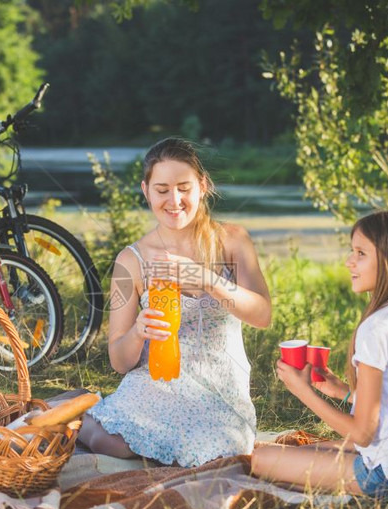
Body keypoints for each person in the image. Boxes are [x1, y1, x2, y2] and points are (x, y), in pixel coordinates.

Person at [79, 137, 272, 467]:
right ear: (146, 190)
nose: (175, 200)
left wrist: (208, 280)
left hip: (220, 387)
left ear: (203, 185)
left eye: (184, 187)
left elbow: (262, 314)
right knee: (115, 444)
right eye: (162, 189)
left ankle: (91, 408)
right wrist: (139, 332)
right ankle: (79, 412)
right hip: (157, 384)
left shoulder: (232, 241)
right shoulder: (131, 260)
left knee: (223, 452)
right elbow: (119, 360)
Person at [251, 209, 388, 498]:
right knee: (294, 450)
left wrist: (302, 390)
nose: (348, 261)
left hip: (387, 474)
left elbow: (363, 433)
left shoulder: (376, 327)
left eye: (360, 253)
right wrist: (342, 391)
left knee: (257, 460)